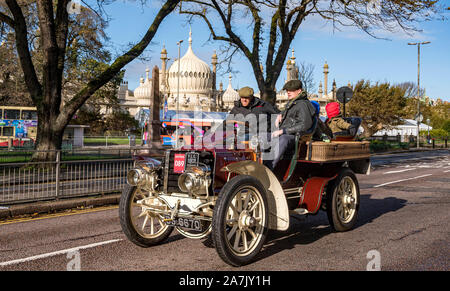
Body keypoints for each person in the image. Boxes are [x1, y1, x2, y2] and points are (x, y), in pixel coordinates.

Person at [265, 80, 316, 170]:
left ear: (299, 91)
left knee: (283, 139)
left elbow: (305, 124)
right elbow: (289, 115)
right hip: (284, 133)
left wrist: (283, 131)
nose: (288, 92)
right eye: (287, 90)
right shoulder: (292, 103)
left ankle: (268, 168)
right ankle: (258, 163)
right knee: (262, 136)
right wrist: (279, 115)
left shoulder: (303, 105)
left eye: (291, 90)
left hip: (296, 136)